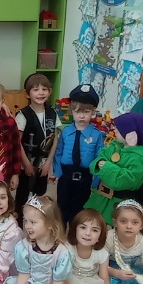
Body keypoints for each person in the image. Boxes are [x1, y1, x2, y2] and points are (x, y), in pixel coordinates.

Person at [83, 112, 143, 224]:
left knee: (111, 228)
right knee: (92, 223)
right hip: (100, 199)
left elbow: (129, 180)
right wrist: (99, 163)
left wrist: (106, 167)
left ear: (131, 135)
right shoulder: (115, 145)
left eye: (119, 128)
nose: (114, 130)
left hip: (118, 204)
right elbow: (100, 158)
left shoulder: (139, 157)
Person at [51, 84, 104, 224]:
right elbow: (58, 153)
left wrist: (96, 182)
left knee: (79, 211)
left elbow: (99, 158)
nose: (81, 116)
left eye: (86, 112)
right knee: (62, 208)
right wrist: (57, 172)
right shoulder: (66, 132)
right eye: (77, 111)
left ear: (93, 111)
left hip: (85, 178)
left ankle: (74, 235)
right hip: (66, 176)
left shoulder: (97, 135)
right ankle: (60, 233)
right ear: (71, 111)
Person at [15, 73, 60, 215]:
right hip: (26, 163)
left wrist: (48, 164)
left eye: (44, 89)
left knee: (39, 194)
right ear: (27, 94)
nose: (41, 93)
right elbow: (17, 141)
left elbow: (55, 139)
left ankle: (37, 220)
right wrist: (26, 164)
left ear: (50, 91)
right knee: (22, 196)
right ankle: (19, 222)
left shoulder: (53, 114)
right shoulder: (23, 115)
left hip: (44, 164)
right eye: (35, 89)